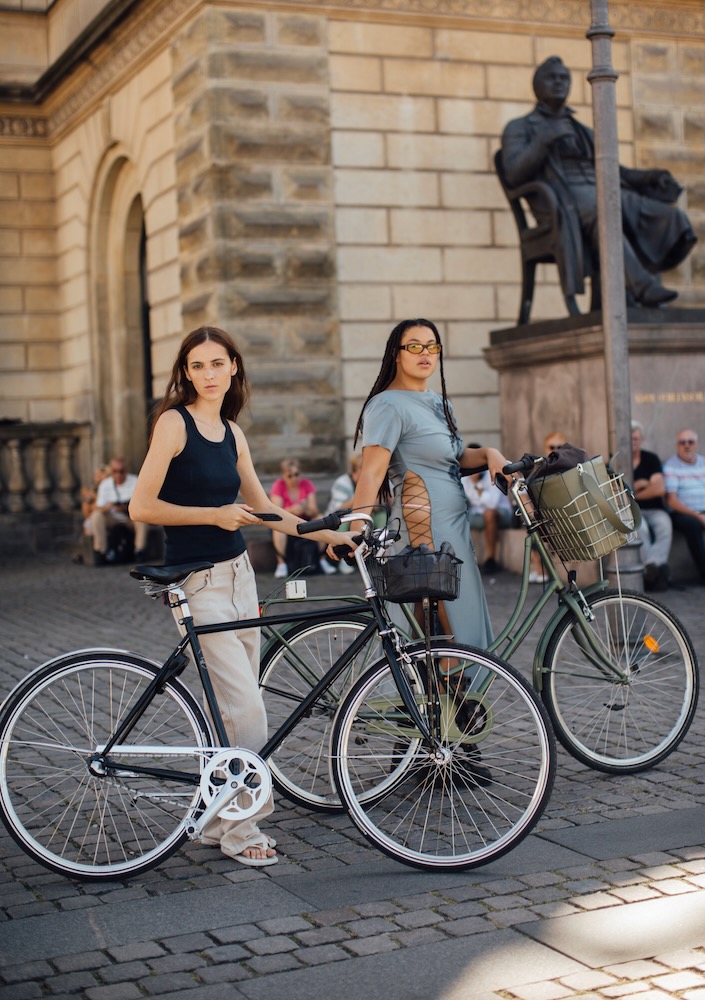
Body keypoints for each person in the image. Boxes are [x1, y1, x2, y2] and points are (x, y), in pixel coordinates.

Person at [129, 325, 356, 866]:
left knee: (238, 706)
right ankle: (241, 830)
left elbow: (266, 509)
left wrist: (333, 534)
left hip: (239, 575)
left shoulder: (232, 432)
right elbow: (141, 505)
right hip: (196, 580)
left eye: (217, 364)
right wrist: (212, 513)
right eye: (197, 365)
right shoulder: (173, 425)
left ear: (234, 367)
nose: (208, 374)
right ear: (186, 372)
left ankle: (215, 820)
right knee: (250, 712)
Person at [339, 318, 509, 653]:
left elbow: (455, 457)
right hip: (422, 524)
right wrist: (356, 526)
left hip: (455, 524)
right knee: (445, 619)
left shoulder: (439, 403)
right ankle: (428, 689)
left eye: (432, 346)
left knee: (448, 619)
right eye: (414, 346)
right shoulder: (387, 405)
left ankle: (441, 695)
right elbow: (372, 473)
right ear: (396, 354)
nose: (425, 353)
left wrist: (491, 454)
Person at [500, 56, 696, 308]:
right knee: (605, 211)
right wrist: (543, 141)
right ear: (537, 85)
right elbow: (513, 174)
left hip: (604, 191)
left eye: (564, 78)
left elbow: (614, 170)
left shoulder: (584, 130)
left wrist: (649, 177)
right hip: (564, 201)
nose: (559, 83)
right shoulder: (520, 127)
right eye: (552, 78)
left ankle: (631, 291)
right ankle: (642, 287)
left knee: (667, 216)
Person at [269, 459, 335, 578]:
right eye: (290, 475)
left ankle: (322, 559)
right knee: (277, 527)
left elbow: (314, 510)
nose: (294, 478)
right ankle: (281, 563)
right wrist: (291, 510)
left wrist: (305, 509)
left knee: (320, 518)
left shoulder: (307, 484)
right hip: (286, 523)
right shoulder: (278, 486)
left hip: (306, 521)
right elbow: (275, 512)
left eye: (297, 474)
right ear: (283, 475)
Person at [631, 421, 672, 591]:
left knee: (665, 526)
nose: (633, 442)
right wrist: (646, 484)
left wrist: (635, 491)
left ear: (641, 440)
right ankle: (655, 569)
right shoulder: (618, 461)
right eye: (630, 439)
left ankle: (649, 568)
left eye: (636, 438)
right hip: (634, 510)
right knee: (641, 530)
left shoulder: (650, 459)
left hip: (655, 509)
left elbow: (660, 489)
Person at [462, 445, 515, 576]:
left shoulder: (492, 472)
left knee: (489, 514)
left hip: (500, 513)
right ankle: (464, 561)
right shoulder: (464, 478)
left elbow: (491, 503)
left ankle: (491, 559)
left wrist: (477, 486)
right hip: (477, 514)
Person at [663, 429, 705, 585]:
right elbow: (672, 501)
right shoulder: (671, 466)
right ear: (677, 445)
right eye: (682, 442)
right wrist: (697, 515)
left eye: (690, 442)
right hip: (682, 513)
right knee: (693, 525)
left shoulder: (703, 462)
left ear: (696, 444)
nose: (687, 445)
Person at [91, 457, 150, 565]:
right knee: (96, 516)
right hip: (112, 517)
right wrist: (109, 507)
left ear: (126, 470)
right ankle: (100, 551)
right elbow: (98, 507)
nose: (118, 475)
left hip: (130, 517)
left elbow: (143, 504)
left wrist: (126, 507)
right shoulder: (105, 485)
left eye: (121, 471)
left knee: (142, 518)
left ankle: (139, 550)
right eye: (115, 471)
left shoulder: (135, 481)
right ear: (111, 472)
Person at [528, 432, 566, 583]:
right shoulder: (538, 468)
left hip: (563, 512)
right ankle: (538, 567)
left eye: (559, 447)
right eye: (552, 447)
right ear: (545, 448)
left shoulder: (568, 466)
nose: (555, 450)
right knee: (532, 523)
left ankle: (541, 569)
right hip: (543, 513)